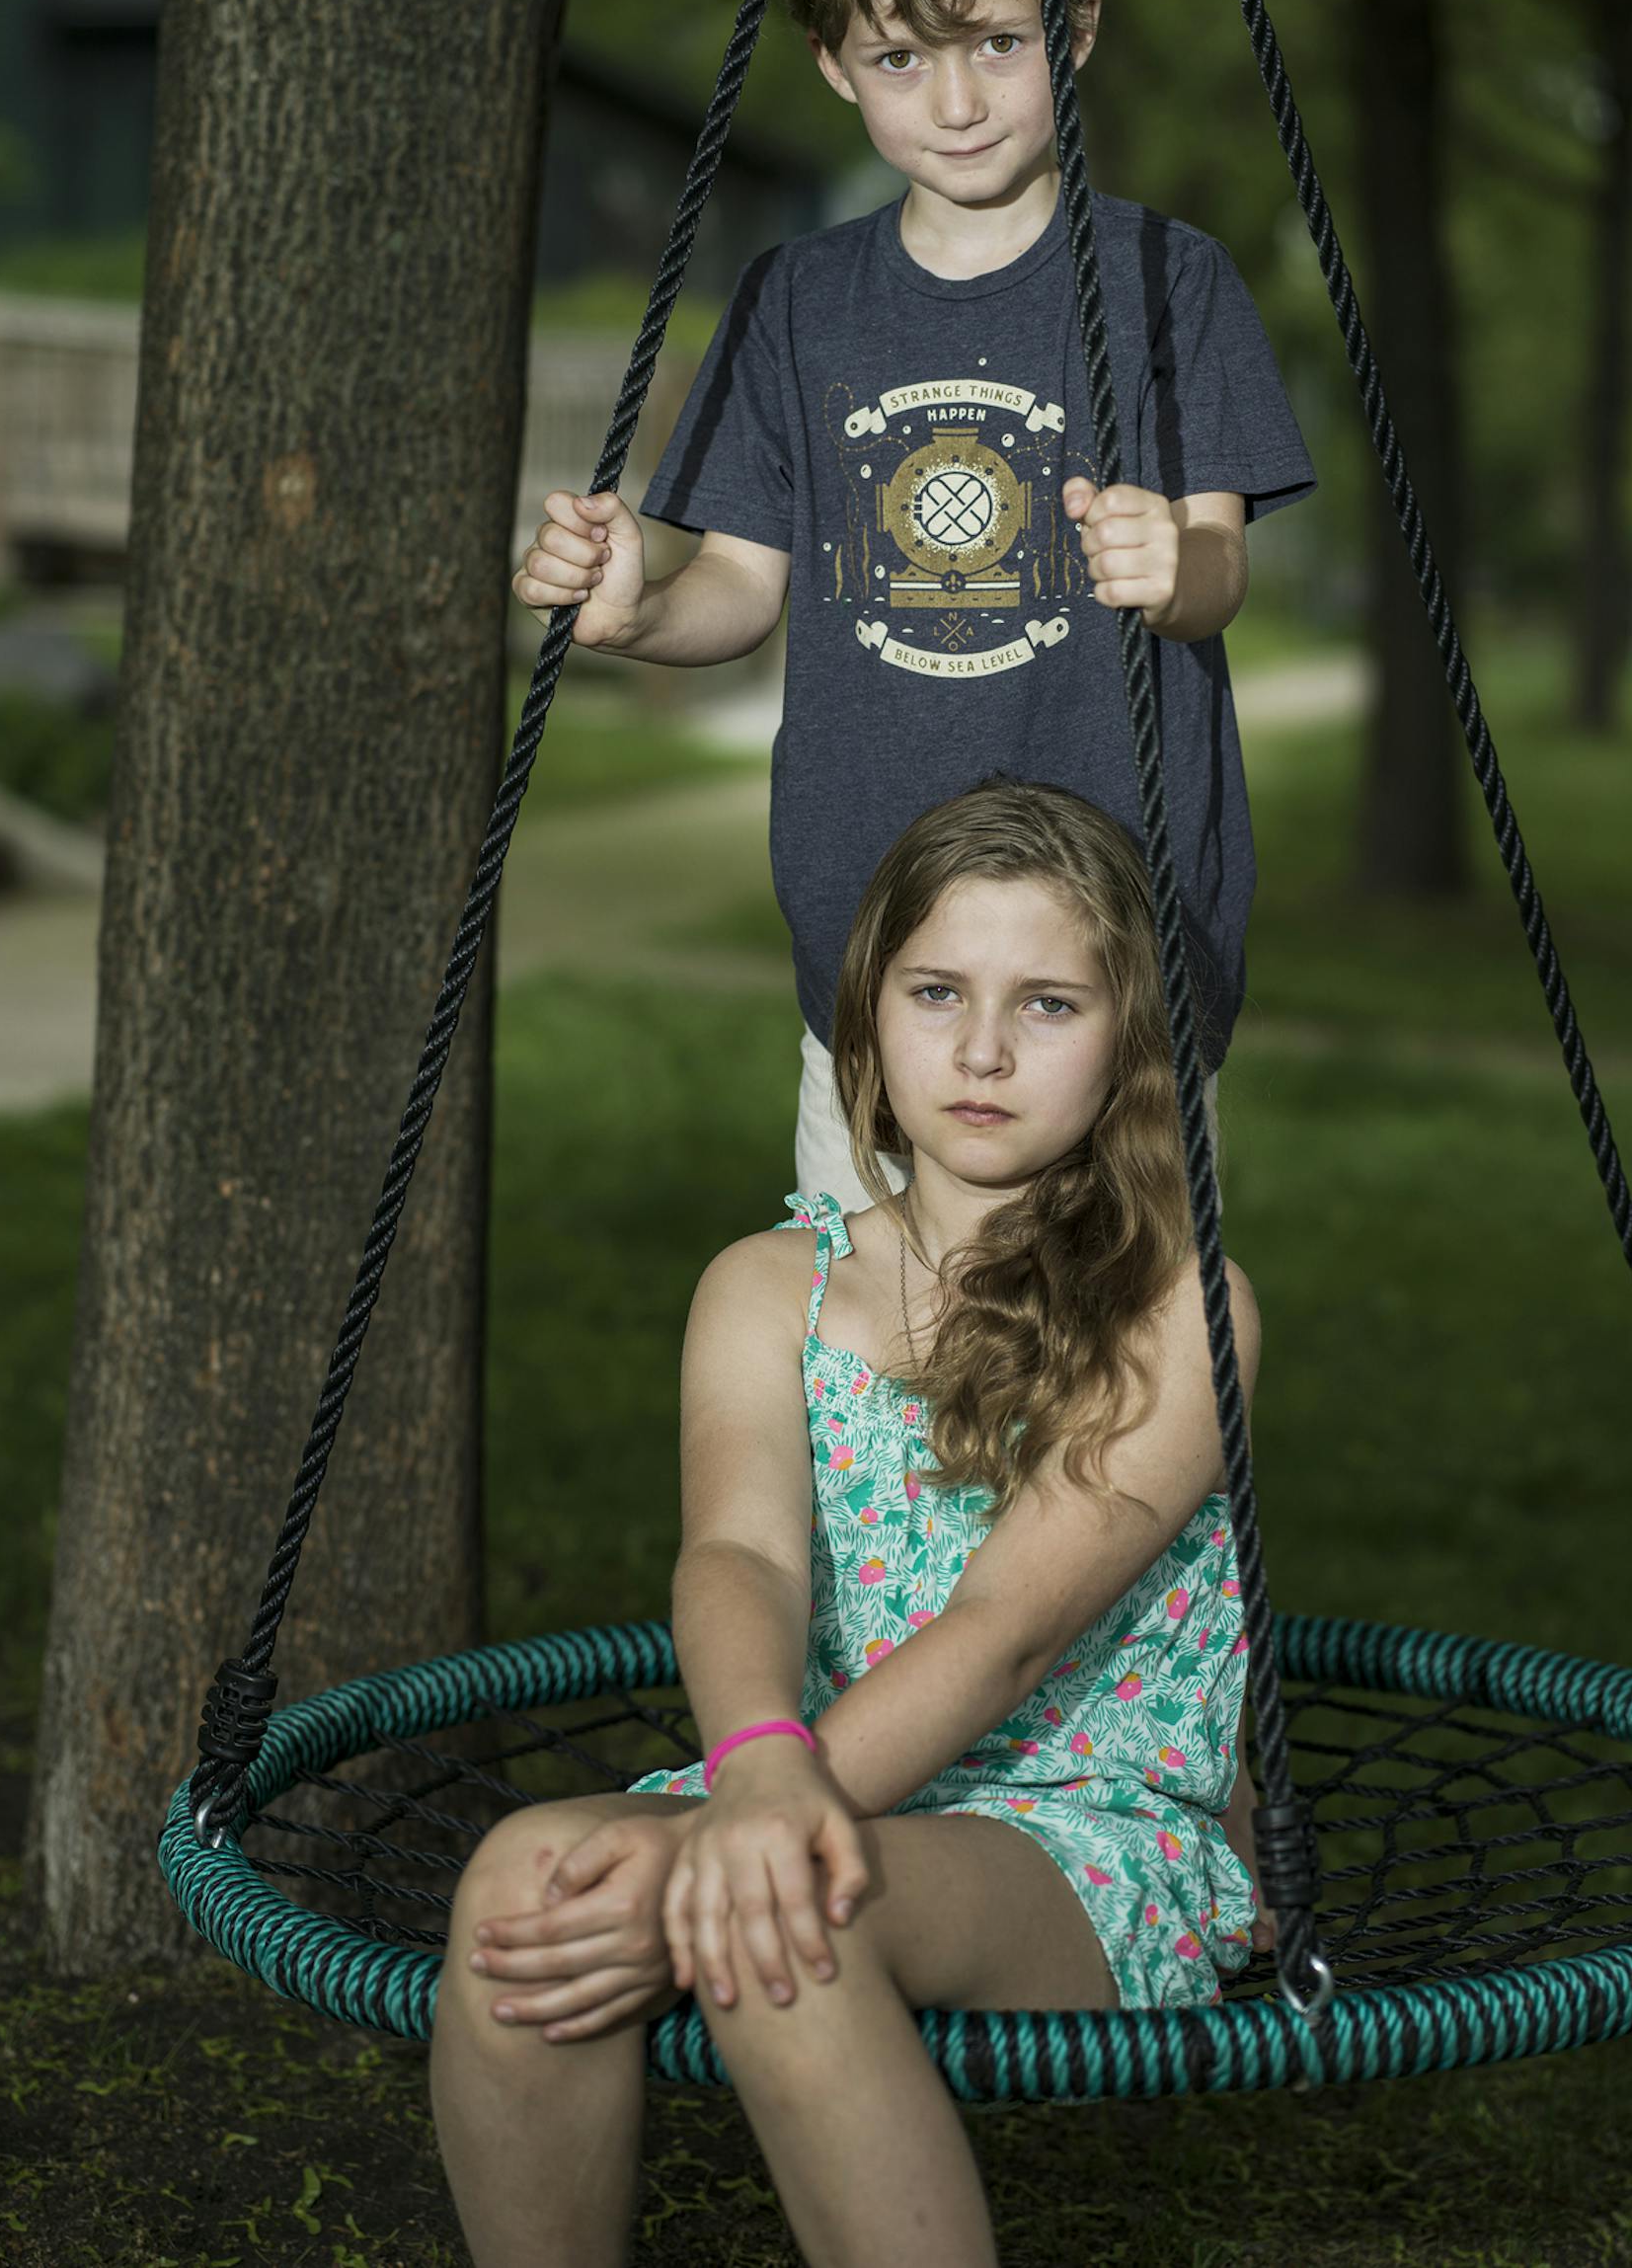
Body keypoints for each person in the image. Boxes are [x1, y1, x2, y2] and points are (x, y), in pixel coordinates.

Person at [430, 779, 1263, 2268]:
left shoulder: (1180, 1309)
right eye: (938, 990)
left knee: (782, 1923)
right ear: (866, 1018)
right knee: (520, 1884)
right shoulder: (768, 1286)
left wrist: (741, 1826)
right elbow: (737, 1554)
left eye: (1050, 1003)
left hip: (1078, 1816)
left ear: (1131, 1044)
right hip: (801, 1772)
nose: (986, 1048)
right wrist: (748, 1772)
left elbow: (1000, 1635)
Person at [511, 0, 1314, 1212]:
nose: (953, 101)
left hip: (1118, 980)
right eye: (899, 59)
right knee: (871, 1383)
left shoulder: (1166, 284)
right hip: (875, 987)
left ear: (1073, 31)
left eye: (997, 43)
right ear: (830, 61)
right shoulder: (797, 305)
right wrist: (636, 613)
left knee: (1118, 1402)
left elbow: (1217, 570)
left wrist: (1171, 567)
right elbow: (743, 588)